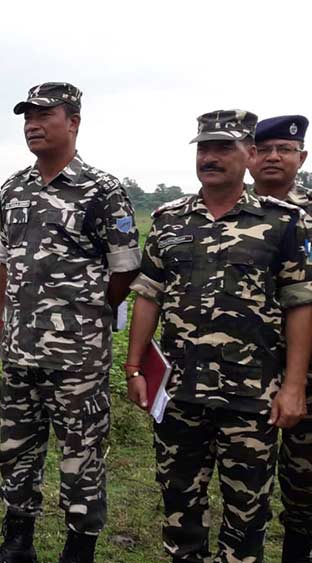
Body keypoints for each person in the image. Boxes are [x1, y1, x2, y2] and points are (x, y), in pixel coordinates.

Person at [126, 110, 312, 563]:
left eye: (223, 147)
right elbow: (148, 296)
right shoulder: (170, 220)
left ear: (248, 155)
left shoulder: (283, 221)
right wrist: (133, 367)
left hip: (251, 395)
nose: (210, 157)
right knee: (178, 501)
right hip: (179, 391)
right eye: (204, 148)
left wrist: (292, 388)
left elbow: (300, 305)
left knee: (246, 510)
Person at [0, 82, 141, 563]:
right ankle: (18, 540)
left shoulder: (102, 189)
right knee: (16, 448)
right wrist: (4, 320)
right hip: (19, 350)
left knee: (81, 454)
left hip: (77, 354)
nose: (31, 124)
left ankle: (79, 548)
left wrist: (89, 315)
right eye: (26, 117)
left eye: (43, 115)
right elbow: (7, 263)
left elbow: (124, 269)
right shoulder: (13, 188)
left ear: (73, 121)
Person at [247, 114, 312, 562]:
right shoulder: (229, 207)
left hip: (307, 367)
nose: (274, 157)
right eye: (265, 149)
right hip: (245, 368)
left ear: (301, 157)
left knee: (305, 476)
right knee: (245, 478)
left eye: (284, 150)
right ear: (250, 157)